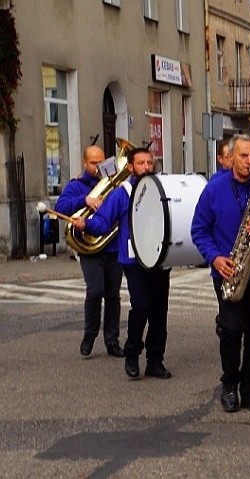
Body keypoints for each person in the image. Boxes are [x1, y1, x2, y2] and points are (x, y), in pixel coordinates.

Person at [71, 148, 173, 380]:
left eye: (149, 162)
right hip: (134, 259)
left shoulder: (162, 188)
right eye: (141, 163)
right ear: (130, 167)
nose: (146, 167)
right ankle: (132, 355)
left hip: (159, 258)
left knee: (159, 311)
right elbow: (104, 221)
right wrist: (86, 224)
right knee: (142, 306)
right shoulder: (122, 193)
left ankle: (155, 361)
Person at [191, 134, 250, 414]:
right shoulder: (214, 189)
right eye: (243, 156)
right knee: (231, 331)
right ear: (230, 157)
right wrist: (215, 258)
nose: (249, 162)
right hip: (229, 272)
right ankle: (229, 384)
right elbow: (199, 230)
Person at [55, 145, 124, 358]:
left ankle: (112, 341)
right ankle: (89, 335)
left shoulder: (115, 183)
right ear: (85, 163)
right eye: (93, 162)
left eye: (101, 162)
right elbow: (60, 207)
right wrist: (85, 200)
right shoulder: (77, 185)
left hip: (111, 246)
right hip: (89, 247)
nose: (98, 166)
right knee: (95, 291)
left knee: (113, 295)